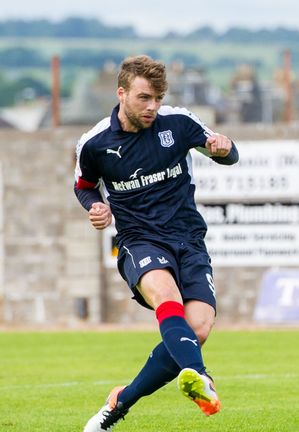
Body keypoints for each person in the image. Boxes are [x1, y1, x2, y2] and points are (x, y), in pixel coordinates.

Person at [74, 55, 239, 432]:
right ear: (122, 93)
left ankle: (120, 402)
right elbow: (84, 186)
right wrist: (96, 206)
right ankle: (201, 377)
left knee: (196, 330)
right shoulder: (95, 143)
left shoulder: (178, 124)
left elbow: (228, 154)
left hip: (189, 240)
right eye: (144, 98)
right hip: (139, 241)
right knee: (168, 298)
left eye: (158, 99)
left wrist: (224, 148)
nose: (152, 107)